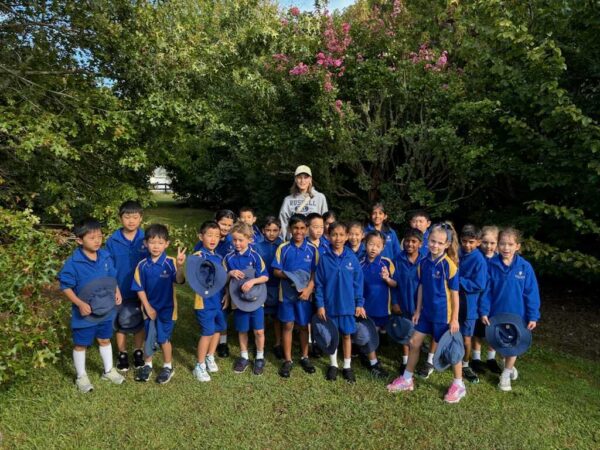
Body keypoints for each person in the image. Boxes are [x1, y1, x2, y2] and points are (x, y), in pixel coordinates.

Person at [387, 222, 466, 404]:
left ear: (446, 244)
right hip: (426, 314)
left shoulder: (450, 266)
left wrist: (454, 319)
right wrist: (417, 310)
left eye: (439, 243)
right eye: (432, 241)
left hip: (443, 316)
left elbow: (455, 296)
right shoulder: (423, 263)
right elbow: (422, 287)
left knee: (451, 350)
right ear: (426, 241)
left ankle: (458, 384)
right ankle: (407, 379)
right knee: (414, 342)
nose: (435, 245)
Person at [58, 219, 125, 392]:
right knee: (81, 344)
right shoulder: (73, 263)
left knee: (104, 339)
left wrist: (117, 290)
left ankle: (108, 371)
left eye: (100, 237)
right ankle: (81, 376)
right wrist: (79, 303)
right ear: (80, 240)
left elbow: (112, 276)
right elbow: (65, 286)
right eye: (92, 238)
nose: (97, 241)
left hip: (105, 309)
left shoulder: (105, 256)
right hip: (85, 312)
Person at [480, 227, 541, 391]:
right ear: (498, 245)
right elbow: (486, 291)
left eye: (510, 244)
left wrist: (533, 316)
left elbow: (531, 293)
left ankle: (505, 375)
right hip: (496, 314)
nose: (506, 248)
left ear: (517, 246)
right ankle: (509, 365)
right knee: (500, 343)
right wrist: (484, 311)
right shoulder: (491, 265)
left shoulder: (525, 267)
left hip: (518, 316)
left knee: (514, 345)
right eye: (502, 244)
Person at [132, 224, 186, 384]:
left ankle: (167, 366)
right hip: (148, 309)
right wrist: (148, 308)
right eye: (152, 242)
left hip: (167, 310)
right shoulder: (142, 265)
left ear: (167, 244)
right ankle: (147, 365)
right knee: (149, 336)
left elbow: (180, 280)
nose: (156, 246)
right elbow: (139, 288)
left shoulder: (171, 262)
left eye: (160, 242)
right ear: (146, 243)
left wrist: (180, 266)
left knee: (163, 339)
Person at [315, 222, 366, 383]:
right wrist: (320, 305)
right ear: (328, 236)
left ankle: (347, 366)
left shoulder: (352, 258)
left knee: (346, 335)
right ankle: (333, 364)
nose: (338, 238)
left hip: (348, 306)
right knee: (332, 336)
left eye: (341, 235)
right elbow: (319, 284)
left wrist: (359, 303)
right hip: (330, 306)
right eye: (334, 235)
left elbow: (358, 283)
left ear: (346, 237)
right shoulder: (324, 259)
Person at [271, 214, 319, 378]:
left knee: (304, 326)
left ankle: (305, 357)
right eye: (295, 228)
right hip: (287, 296)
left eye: (302, 228)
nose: (299, 231)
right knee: (288, 326)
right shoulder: (283, 248)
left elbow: (315, 273)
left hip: (305, 296)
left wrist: (308, 289)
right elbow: (276, 270)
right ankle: (288, 360)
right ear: (290, 229)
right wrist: (292, 277)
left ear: (306, 230)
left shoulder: (312, 249)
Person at [105, 200, 148, 372]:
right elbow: (108, 266)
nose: (131, 221)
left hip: (141, 290)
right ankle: (122, 353)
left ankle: (138, 351)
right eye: (127, 217)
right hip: (120, 289)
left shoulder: (146, 239)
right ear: (120, 218)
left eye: (135, 217)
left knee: (140, 321)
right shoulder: (112, 241)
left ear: (141, 218)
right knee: (120, 322)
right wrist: (114, 287)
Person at [223, 222, 269, 375]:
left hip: (256, 299)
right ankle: (243, 357)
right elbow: (222, 278)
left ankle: (260, 357)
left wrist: (252, 281)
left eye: (240, 240)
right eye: (234, 240)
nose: (237, 243)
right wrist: (230, 274)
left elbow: (265, 277)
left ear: (249, 239)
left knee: (259, 331)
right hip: (238, 300)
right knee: (242, 330)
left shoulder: (255, 256)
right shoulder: (229, 258)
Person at [191, 221, 227, 382]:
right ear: (201, 236)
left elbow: (222, 279)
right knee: (207, 332)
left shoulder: (218, 257)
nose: (213, 239)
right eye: (209, 235)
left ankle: (209, 356)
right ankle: (199, 365)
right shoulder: (197, 257)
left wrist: (226, 294)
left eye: (217, 236)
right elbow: (192, 279)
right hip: (204, 301)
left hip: (218, 300)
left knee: (219, 328)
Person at [360, 230, 395, 378]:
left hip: (385, 309)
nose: (374, 248)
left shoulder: (387, 263)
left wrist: (387, 279)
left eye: (378, 245)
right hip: (368, 309)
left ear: (383, 247)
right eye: (371, 244)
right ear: (365, 244)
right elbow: (358, 288)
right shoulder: (360, 264)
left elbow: (395, 284)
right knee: (369, 335)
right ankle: (373, 363)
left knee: (385, 335)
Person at [458, 224, 488, 384]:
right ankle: (449, 357)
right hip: (455, 301)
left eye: (471, 242)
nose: (467, 245)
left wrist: (458, 280)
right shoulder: (457, 252)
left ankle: (465, 364)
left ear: (478, 242)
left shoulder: (479, 260)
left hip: (470, 305)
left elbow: (480, 284)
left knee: (466, 338)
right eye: (464, 241)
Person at [391, 228, 424, 371]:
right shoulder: (397, 259)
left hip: (419, 304)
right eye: (407, 241)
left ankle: (415, 360)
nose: (410, 244)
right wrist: (395, 302)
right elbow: (392, 284)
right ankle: (405, 361)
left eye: (414, 241)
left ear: (420, 244)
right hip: (402, 302)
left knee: (416, 334)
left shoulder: (425, 261)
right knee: (404, 331)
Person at [471, 225, 501, 374]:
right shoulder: (476, 256)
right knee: (478, 331)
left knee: (492, 330)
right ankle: (475, 358)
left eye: (492, 243)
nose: (488, 246)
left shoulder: (500, 260)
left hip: (494, 301)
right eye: (485, 242)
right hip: (477, 300)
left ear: (497, 243)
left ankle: (491, 358)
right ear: (479, 242)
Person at [255, 216, 284, 359]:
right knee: (262, 315)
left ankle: (278, 343)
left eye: (275, 230)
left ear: (280, 231)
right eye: (268, 230)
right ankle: (261, 344)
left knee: (277, 316)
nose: (271, 233)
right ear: (262, 231)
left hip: (278, 285)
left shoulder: (283, 245)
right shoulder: (257, 245)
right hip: (262, 285)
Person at [278, 165, 328, 239]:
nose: (302, 181)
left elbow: (325, 221)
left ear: (310, 179)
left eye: (305, 177)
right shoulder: (288, 200)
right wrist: (283, 241)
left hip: (313, 241)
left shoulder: (319, 197)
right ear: (295, 179)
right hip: (294, 241)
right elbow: (283, 223)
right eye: (299, 177)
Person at [214, 209, 236, 357]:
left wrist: (228, 291)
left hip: (226, 284)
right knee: (210, 313)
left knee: (222, 314)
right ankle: (209, 338)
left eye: (229, 225)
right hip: (209, 284)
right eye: (223, 224)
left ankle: (222, 342)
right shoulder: (208, 239)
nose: (226, 228)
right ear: (216, 222)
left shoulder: (232, 242)